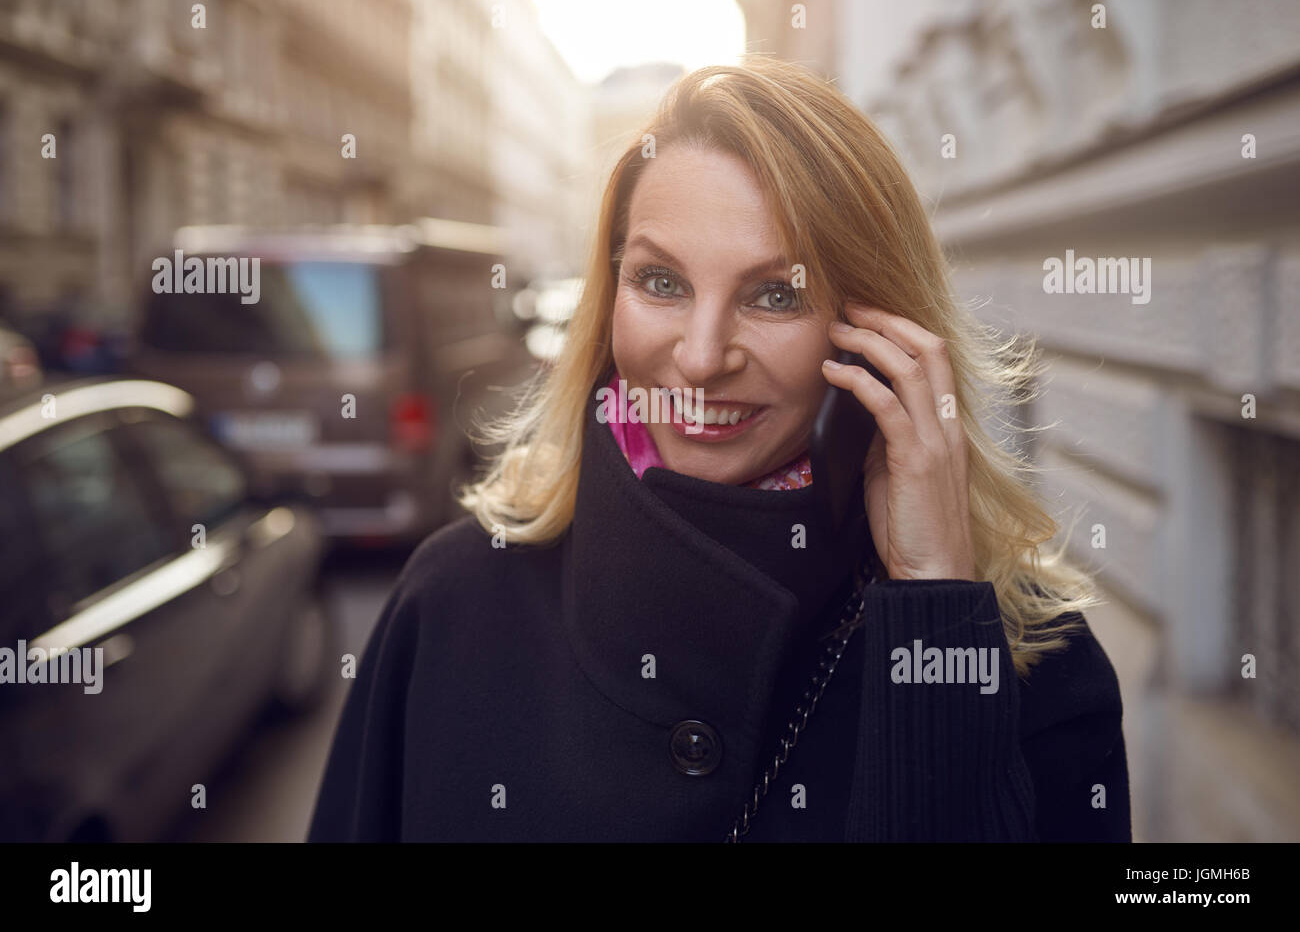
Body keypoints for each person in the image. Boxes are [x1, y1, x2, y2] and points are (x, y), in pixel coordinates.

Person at [307, 56, 1130, 842]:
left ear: (880, 332)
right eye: (661, 282)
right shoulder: (455, 599)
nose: (701, 358)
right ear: (611, 294)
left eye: (775, 295)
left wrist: (934, 607)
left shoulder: (1029, 660)